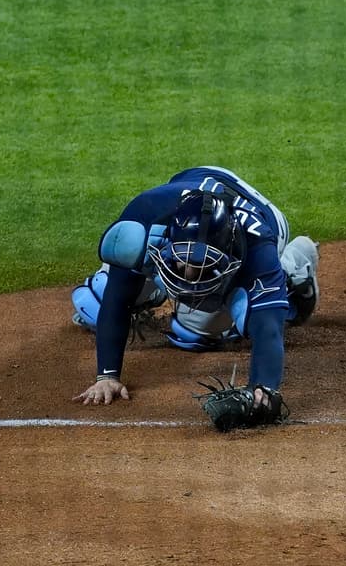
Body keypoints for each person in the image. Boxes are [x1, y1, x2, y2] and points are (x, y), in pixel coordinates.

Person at [71, 166, 319, 409]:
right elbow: (117, 297)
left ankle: (293, 268)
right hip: (196, 182)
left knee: (195, 333)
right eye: (183, 263)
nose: (191, 279)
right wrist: (107, 376)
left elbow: (268, 329)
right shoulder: (144, 219)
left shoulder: (258, 247)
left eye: (203, 268)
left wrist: (262, 387)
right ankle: (156, 291)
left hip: (268, 218)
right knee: (95, 300)